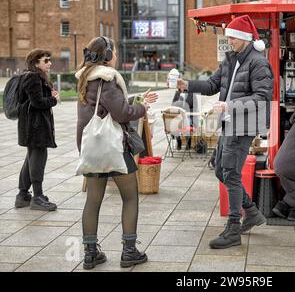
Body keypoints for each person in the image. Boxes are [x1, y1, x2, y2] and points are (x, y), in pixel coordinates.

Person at [177, 15, 273, 249]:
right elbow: (212, 85)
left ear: (243, 38)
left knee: (230, 173)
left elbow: (262, 98)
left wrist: (229, 106)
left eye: (232, 36)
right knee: (221, 170)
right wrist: (187, 85)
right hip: (229, 123)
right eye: (228, 36)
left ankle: (233, 229)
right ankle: (251, 211)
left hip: (243, 126)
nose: (228, 40)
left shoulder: (258, 62)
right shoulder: (231, 60)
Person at [76, 36, 158, 270]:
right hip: (114, 149)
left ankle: (90, 254)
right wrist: (142, 108)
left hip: (92, 150)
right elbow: (121, 114)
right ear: (108, 54)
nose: (117, 55)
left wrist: (134, 100)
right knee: (130, 197)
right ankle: (129, 251)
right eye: (115, 51)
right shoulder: (107, 79)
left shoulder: (85, 78)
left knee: (93, 201)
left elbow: (104, 107)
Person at [15, 49, 59, 211]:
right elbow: (38, 103)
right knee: (38, 159)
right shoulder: (33, 77)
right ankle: (37, 197)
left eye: (49, 60)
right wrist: (53, 99)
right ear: (35, 63)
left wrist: (49, 95)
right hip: (35, 127)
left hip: (31, 126)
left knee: (31, 159)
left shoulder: (31, 76)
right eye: (46, 60)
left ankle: (22, 195)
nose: (49, 63)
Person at [167, 69, 195, 150]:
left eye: (183, 85)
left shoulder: (191, 94)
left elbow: (192, 105)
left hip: (188, 115)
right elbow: (173, 104)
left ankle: (188, 142)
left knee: (187, 123)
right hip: (179, 116)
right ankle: (178, 141)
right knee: (174, 124)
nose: (181, 87)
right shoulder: (177, 93)